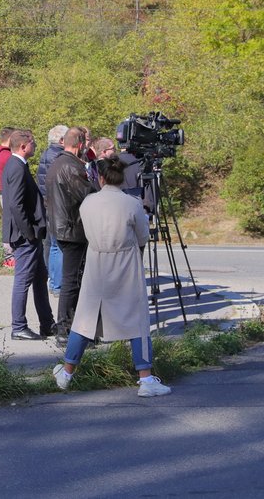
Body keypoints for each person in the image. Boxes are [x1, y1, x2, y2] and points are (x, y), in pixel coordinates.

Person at [52, 157, 171, 397]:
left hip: (97, 262)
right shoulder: (132, 203)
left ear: (101, 178)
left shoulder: (88, 202)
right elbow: (142, 237)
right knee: (137, 319)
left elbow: (86, 231)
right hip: (126, 263)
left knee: (85, 319)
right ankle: (145, 379)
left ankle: (66, 373)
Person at [1, 129, 56, 341]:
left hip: (30, 234)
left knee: (40, 278)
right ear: (23, 146)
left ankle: (46, 323)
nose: (35, 146)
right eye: (32, 143)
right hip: (25, 236)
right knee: (23, 280)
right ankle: (18, 326)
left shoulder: (19, 165)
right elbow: (15, 204)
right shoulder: (15, 167)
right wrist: (29, 232)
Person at [46, 127, 96, 343]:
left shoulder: (58, 162)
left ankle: (69, 324)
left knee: (72, 279)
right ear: (80, 144)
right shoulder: (69, 166)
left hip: (63, 226)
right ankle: (65, 327)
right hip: (71, 228)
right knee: (71, 280)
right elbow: (87, 195)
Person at [38, 124, 68, 295]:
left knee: (51, 244)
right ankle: (56, 283)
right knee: (57, 245)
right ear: (61, 140)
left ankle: (53, 280)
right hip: (56, 204)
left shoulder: (47, 153)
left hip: (49, 202)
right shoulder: (57, 156)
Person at [0, 126, 16, 268]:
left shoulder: (1, 153)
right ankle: (10, 256)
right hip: (8, 191)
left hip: (4, 190)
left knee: (10, 222)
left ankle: (10, 255)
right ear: (9, 138)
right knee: (10, 223)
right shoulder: (7, 156)